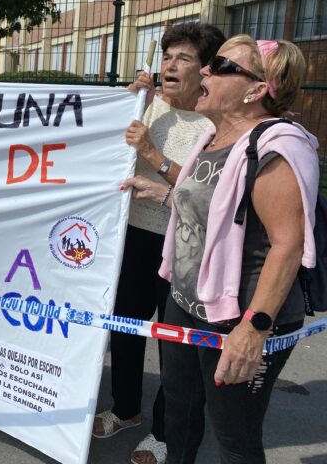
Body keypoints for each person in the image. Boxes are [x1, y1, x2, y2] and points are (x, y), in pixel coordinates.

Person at [123, 36, 317, 463]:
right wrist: (159, 193)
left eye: (222, 66)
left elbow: (288, 244)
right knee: (180, 411)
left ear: (256, 89)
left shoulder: (277, 148)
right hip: (186, 300)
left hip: (240, 315)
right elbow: (218, 212)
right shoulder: (212, 137)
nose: (206, 72)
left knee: (233, 436)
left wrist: (253, 328)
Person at [93, 24, 225, 464]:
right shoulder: (146, 106)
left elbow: (203, 192)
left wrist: (153, 154)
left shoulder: (213, 124)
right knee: (126, 329)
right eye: (167, 56)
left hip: (181, 246)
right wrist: (124, 107)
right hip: (132, 236)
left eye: (183, 58)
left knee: (173, 345)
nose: (170, 65)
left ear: (205, 70)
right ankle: (126, 410)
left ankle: (166, 432)